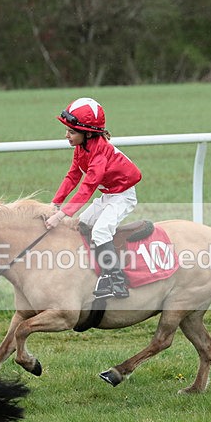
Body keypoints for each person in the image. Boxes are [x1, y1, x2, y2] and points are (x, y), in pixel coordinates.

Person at [45, 98, 142, 299]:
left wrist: (60, 215)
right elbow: (72, 176)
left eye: (71, 132)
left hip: (122, 197)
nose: (66, 135)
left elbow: (87, 188)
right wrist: (55, 203)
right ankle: (91, 269)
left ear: (88, 133)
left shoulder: (99, 156)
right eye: (67, 131)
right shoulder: (82, 148)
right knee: (81, 224)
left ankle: (117, 281)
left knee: (100, 231)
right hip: (108, 195)